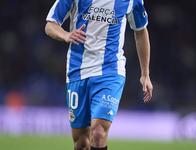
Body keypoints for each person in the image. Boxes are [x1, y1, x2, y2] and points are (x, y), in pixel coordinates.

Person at [45, 0, 153, 149]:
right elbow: (50, 24)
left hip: (111, 71)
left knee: (98, 133)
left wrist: (145, 73)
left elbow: (140, 30)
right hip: (77, 70)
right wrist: (66, 35)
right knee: (81, 142)